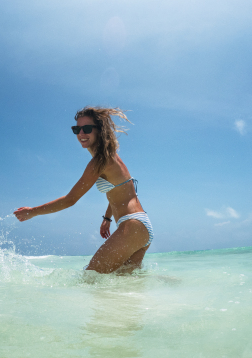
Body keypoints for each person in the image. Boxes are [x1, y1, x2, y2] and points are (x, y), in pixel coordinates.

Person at [13, 107, 153, 274]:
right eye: (76, 129)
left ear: (99, 130)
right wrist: (108, 218)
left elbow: (70, 199)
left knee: (90, 278)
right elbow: (122, 190)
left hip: (132, 226)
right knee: (124, 287)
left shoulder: (99, 162)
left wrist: (32, 212)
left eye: (86, 129)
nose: (81, 133)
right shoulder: (112, 156)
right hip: (140, 227)